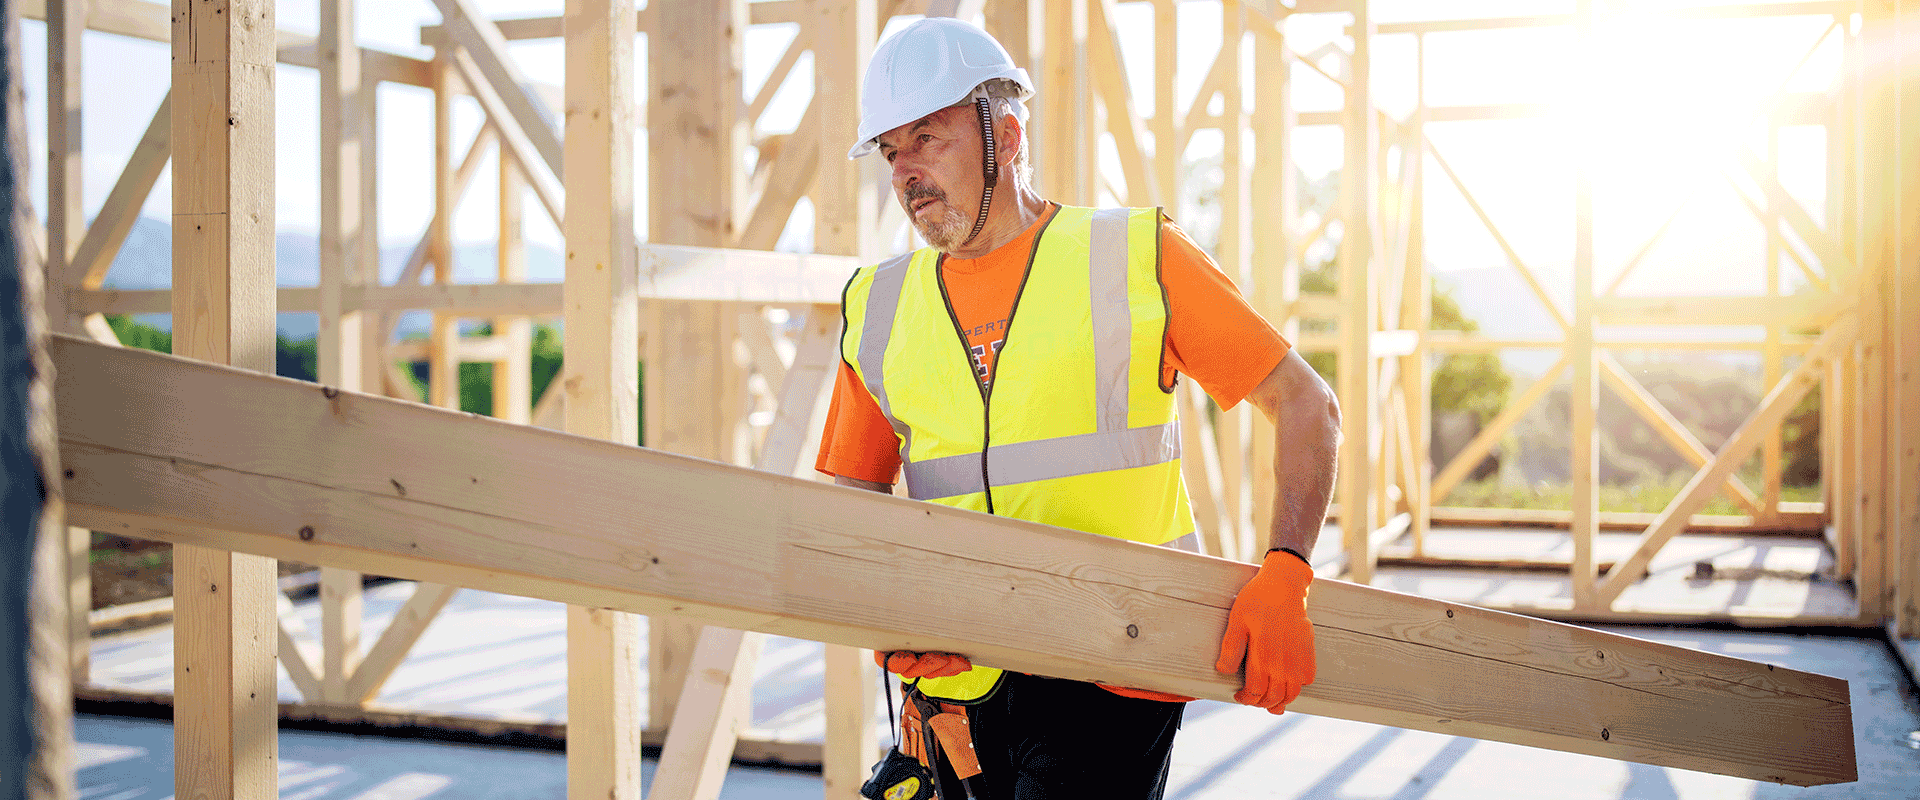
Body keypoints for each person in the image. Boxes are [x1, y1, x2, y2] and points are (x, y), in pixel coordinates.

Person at [818, 16, 1340, 800]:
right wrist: (885, 615)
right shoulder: (879, 306)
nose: (907, 173)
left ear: (1009, 133)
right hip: (953, 691)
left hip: (1114, 672)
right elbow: (853, 501)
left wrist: (1288, 571)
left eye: (928, 137)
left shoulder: (1134, 256)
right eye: (892, 153)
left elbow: (1305, 403)